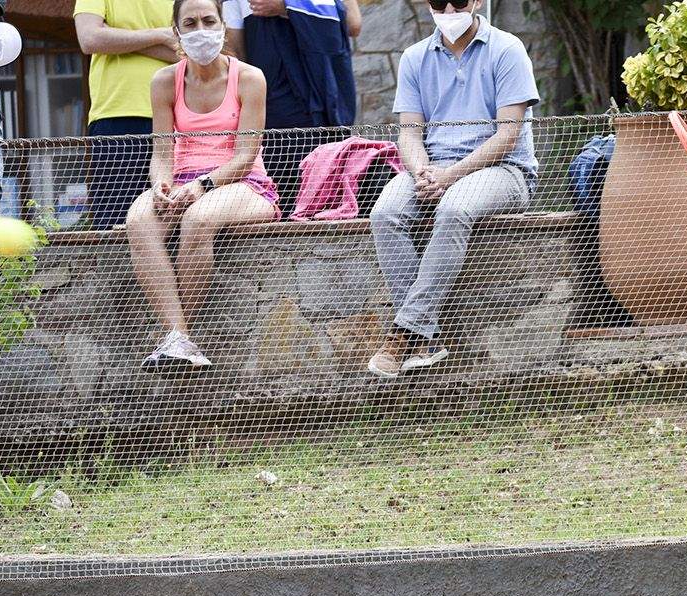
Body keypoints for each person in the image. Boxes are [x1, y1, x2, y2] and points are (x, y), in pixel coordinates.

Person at [366, 0, 537, 379]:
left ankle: (403, 332)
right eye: (437, 0)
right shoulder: (414, 57)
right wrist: (423, 170)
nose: (447, 8)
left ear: (476, 1)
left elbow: (508, 135)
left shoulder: (507, 49)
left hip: (504, 170)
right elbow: (409, 132)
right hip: (434, 167)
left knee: (454, 209)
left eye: (457, 0)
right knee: (384, 212)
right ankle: (425, 339)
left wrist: (450, 176)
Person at [125, 0, 278, 370]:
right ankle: (179, 340)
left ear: (223, 26)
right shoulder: (164, 81)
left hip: (245, 184)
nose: (200, 30)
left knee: (198, 219)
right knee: (137, 221)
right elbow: (162, 153)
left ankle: (179, 339)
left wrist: (202, 186)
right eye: (190, 23)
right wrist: (161, 184)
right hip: (182, 183)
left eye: (208, 21)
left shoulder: (250, 77)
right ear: (176, 32)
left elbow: (245, 156)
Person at [223, 0, 360, 204]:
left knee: (329, 188)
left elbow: (353, 23)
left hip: (324, 94)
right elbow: (235, 50)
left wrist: (287, 6)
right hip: (273, 99)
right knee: (283, 190)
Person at [75, 0, 176, 229]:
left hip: (179, 118)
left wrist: (116, 40)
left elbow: (193, 51)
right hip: (115, 115)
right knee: (115, 225)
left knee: (172, 218)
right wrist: (160, 35)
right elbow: (89, 38)